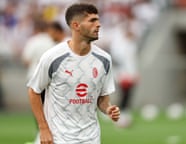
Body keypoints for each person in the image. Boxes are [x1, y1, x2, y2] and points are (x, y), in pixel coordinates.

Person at [27, 3, 120, 144]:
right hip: (59, 138)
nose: (99, 24)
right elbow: (34, 91)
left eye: (98, 20)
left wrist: (108, 109)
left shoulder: (104, 60)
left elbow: (102, 99)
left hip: (91, 138)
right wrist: (43, 128)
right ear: (76, 25)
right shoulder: (52, 57)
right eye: (92, 20)